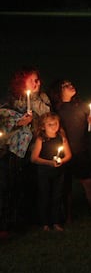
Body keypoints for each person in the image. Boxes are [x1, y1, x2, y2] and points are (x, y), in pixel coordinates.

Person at [0, 66, 49, 236]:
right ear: (21, 82)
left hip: (35, 147)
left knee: (31, 183)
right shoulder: (12, 100)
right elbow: (4, 122)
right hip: (14, 149)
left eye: (38, 79)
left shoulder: (42, 99)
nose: (37, 83)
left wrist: (36, 105)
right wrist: (19, 122)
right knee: (11, 185)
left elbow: (48, 116)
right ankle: (7, 223)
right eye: (32, 80)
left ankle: (30, 218)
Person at [49, 79, 91, 221]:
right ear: (58, 92)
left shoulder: (82, 106)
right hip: (65, 151)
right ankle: (67, 216)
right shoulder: (56, 109)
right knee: (65, 186)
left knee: (89, 183)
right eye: (65, 86)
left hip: (81, 151)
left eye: (70, 83)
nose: (70, 86)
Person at [29, 112, 72, 231]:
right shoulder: (41, 139)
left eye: (56, 123)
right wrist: (49, 163)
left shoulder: (61, 137)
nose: (54, 126)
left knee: (57, 196)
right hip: (44, 172)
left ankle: (56, 221)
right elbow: (34, 158)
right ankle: (45, 223)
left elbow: (68, 155)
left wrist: (61, 161)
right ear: (43, 126)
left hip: (59, 172)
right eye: (50, 124)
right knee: (45, 195)